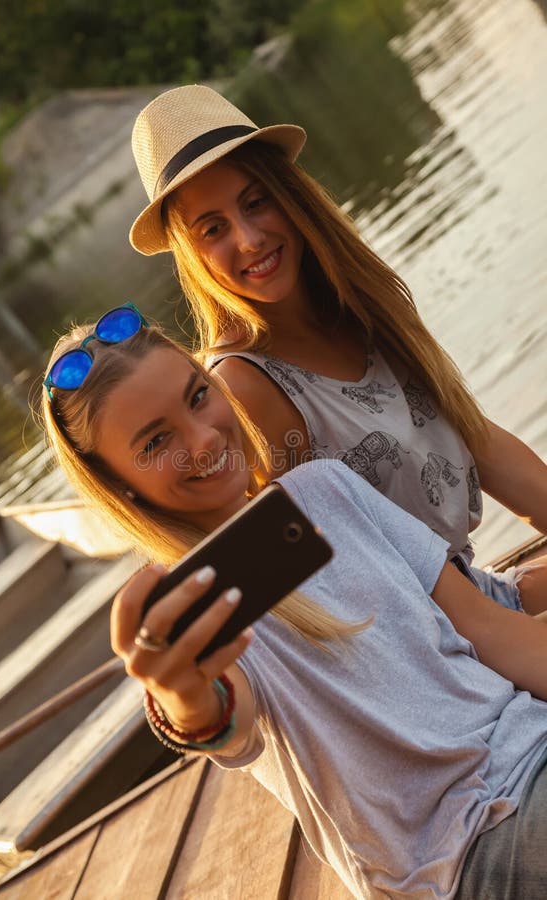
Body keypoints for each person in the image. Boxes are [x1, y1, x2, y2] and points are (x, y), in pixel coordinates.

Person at [41, 304, 547, 899]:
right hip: (466, 849)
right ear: (120, 483)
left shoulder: (322, 488)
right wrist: (182, 696)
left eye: (199, 396)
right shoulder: (194, 611)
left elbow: (489, 626)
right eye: (156, 442)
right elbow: (224, 719)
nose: (203, 439)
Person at [127, 83, 547, 615]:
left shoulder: (366, 308)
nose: (250, 239)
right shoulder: (245, 387)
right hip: (428, 652)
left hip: (479, 598)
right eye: (214, 229)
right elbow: (300, 596)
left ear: (290, 194)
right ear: (192, 255)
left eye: (256, 202)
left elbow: (479, 441)